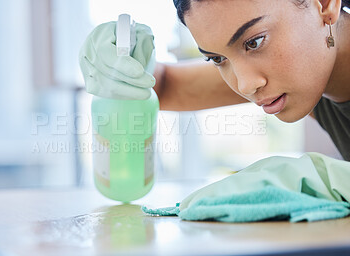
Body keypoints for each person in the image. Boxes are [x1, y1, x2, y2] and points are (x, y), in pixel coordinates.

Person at [79, 0, 350, 161]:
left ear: (325, 4)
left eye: (255, 42)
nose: (245, 85)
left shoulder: (301, 75)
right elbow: (163, 87)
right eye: (218, 58)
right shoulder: (311, 74)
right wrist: (123, 57)